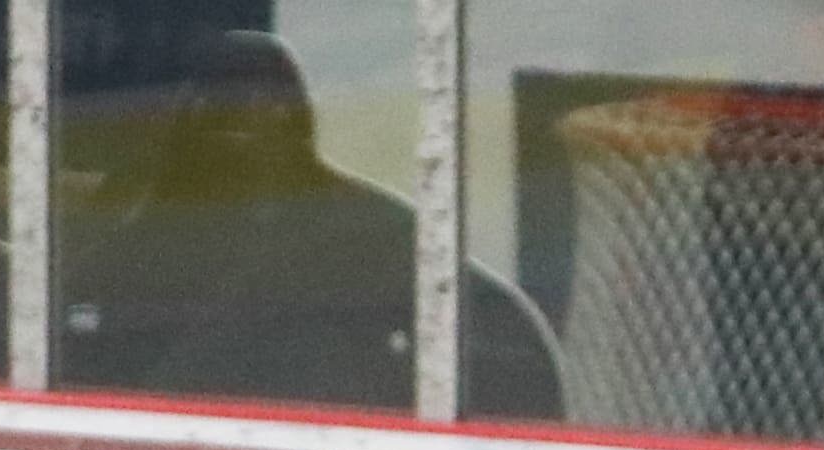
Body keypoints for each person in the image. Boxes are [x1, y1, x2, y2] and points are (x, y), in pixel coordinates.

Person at [57, 29, 565, 421]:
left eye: (269, 107)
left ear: (300, 123)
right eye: (220, 108)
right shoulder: (129, 241)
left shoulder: (373, 239)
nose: (247, 124)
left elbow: (512, 359)